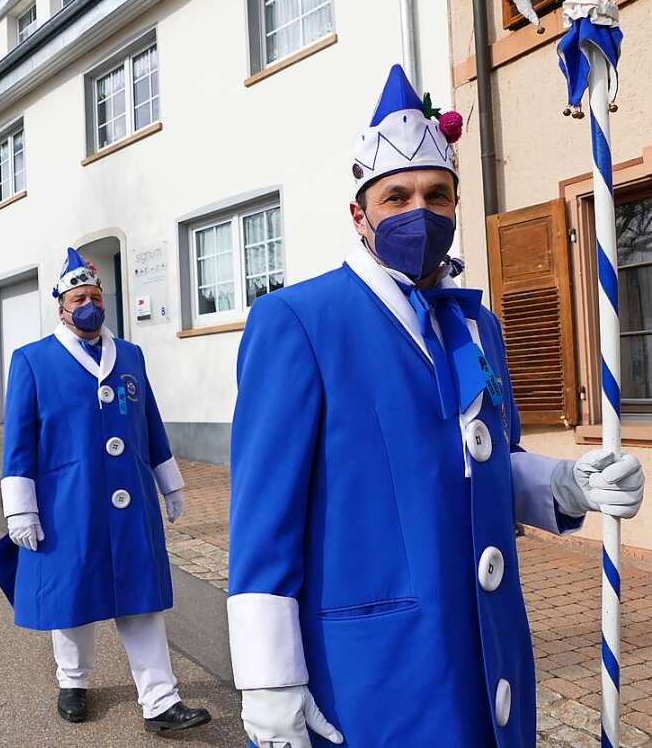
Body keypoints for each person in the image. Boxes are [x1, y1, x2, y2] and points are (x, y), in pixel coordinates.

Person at [227, 64, 645, 748]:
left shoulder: (476, 325)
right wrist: (269, 681)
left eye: (436, 194)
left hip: (484, 648)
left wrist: (569, 483)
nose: (418, 210)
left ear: (454, 205)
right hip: (373, 665)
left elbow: (488, 463)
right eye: (395, 196)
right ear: (360, 215)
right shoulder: (298, 320)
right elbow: (263, 516)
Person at [0, 248, 211, 733]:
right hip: (67, 502)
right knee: (74, 596)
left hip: (130, 500)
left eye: (95, 295)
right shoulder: (32, 361)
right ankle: (72, 681)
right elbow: (19, 441)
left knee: (141, 598)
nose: (89, 304)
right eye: (79, 297)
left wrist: (169, 482)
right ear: (62, 306)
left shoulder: (130, 354)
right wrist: (20, 511)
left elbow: (149, 421)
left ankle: (161, 702)